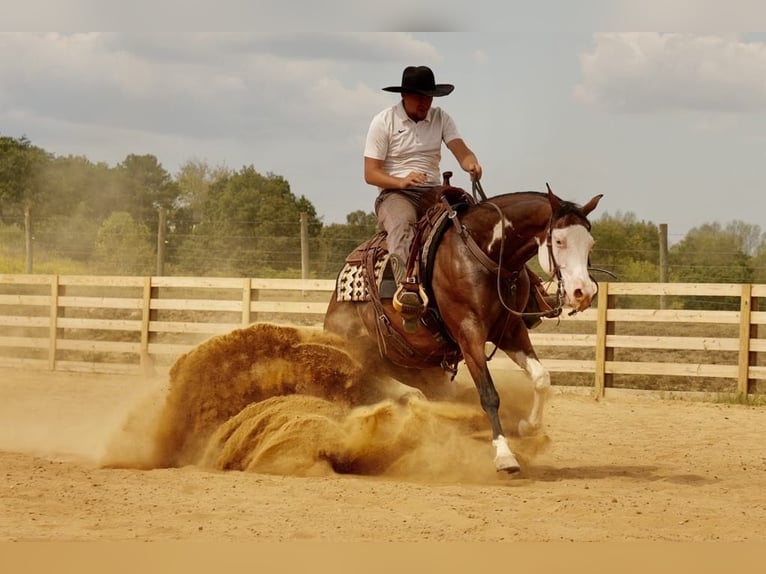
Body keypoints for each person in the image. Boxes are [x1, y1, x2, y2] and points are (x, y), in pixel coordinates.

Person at [364, 65, 482, 327]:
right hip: (395, 194)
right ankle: (408, 290)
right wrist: (400, 181)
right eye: (420, 97)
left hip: (432, 190)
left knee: (469, 216)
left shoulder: (441, 118)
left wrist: (470, 162)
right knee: (403, 223)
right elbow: (371, 173)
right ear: (404, 96)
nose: (425, 103)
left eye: (429, 97)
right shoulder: (384, 121)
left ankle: (480, 284)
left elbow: (460, 149)